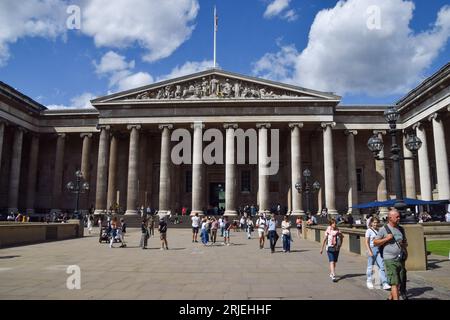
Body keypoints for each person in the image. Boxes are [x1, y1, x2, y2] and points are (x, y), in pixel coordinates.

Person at [374, 209, 408, 300]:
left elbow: (405, 243)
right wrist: (386, 239)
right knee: (394, 282)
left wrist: (404, 244)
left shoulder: (401, 229)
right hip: (389, 259)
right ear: (390, 218)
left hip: (400, 259)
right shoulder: (384, 229)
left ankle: (390, 298)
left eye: (399, 216)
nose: (399, 218)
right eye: (397, 217)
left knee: (399, 282)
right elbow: (375, 242)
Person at [365, 217, 390, 290]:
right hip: (372, 249)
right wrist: (369, 251)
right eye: (374, 222)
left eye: (376, 222)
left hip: (379, 249)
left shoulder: (379, 230)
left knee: (381, 266)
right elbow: (366, 242)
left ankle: (384, 283)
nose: (375, 224)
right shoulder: (369, 231)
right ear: (371, 223)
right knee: (370, 266)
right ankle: (369, 281)